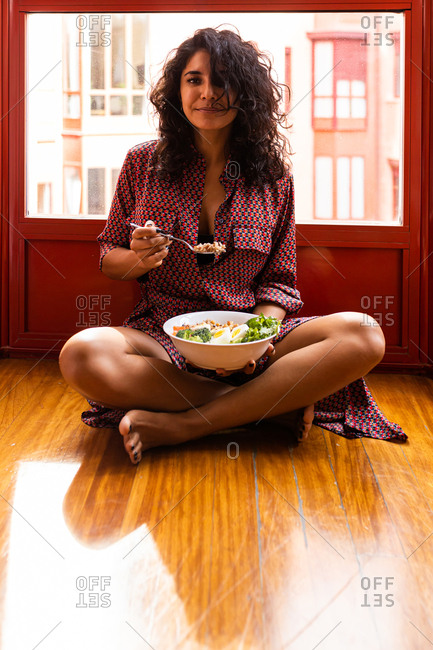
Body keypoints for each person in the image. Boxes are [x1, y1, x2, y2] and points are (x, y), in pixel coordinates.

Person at [59, 27, 406, 465]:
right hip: (164, 334)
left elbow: (279, 285)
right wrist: (138, 258)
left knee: (364, 334)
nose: (209, 93)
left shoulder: (274, 177)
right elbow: (110, 259)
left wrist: (253, 340)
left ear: (247, 94)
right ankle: (265, 408)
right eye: (195, 79)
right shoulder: (142, 162)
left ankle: (186, 424)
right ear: (177, 89)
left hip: (247, 333)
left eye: (224, 81)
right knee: (82, 355)